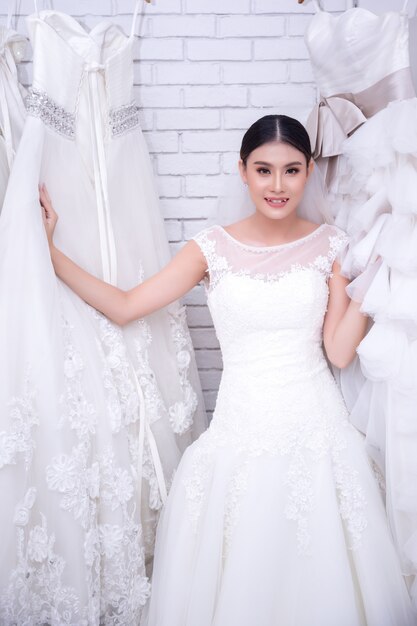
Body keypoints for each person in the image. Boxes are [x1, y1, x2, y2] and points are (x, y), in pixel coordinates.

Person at [40, 114, 415, 626]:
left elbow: (340, 351)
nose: (278, 186)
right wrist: (50, 252)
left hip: (318, 437)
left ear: (308, 172)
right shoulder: (210, 249)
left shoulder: (331, 246)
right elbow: (127, 305)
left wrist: (381, 277)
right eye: (264, 170)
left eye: (291, 170)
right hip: (239, 437)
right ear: (242, 172)